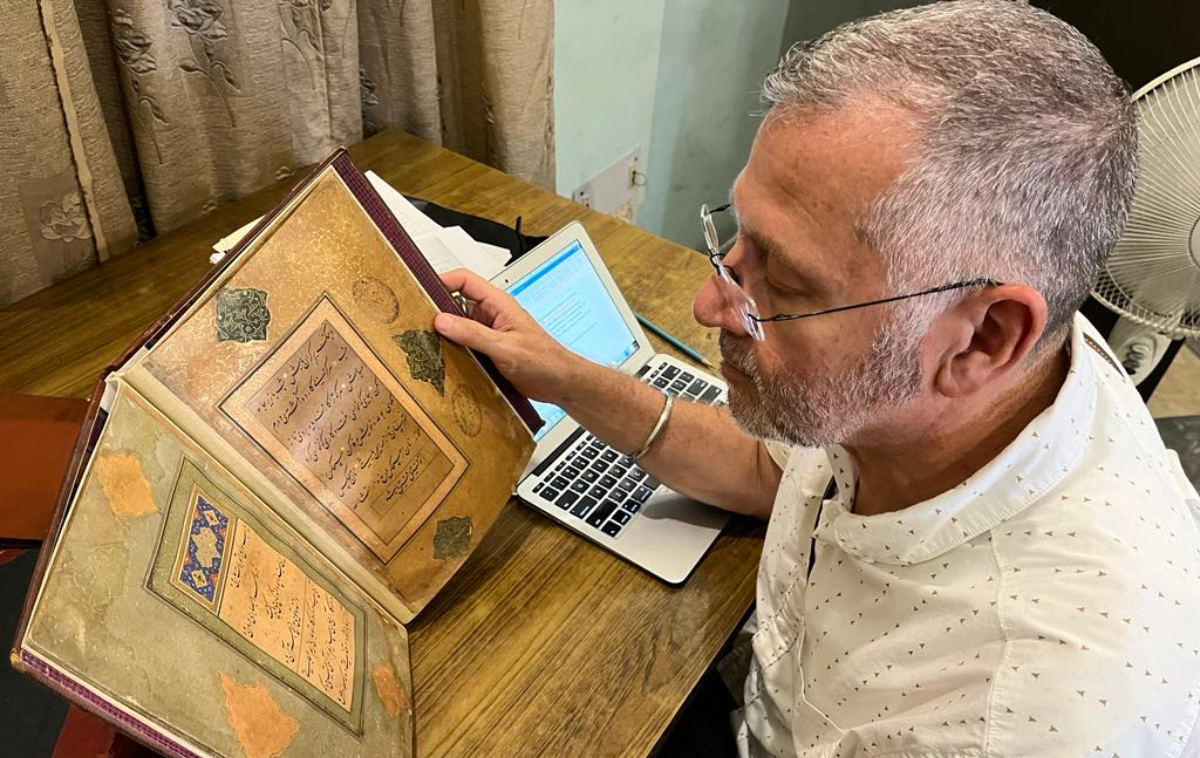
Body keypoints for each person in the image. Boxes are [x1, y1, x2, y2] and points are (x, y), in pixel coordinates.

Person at [434, 1, 1200, 755]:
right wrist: (568, 377)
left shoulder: (1017, 715)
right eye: (738, 241)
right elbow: (769, 471)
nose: (710, 303)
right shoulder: (962, 372)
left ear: (988, 337)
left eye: (789, 282)